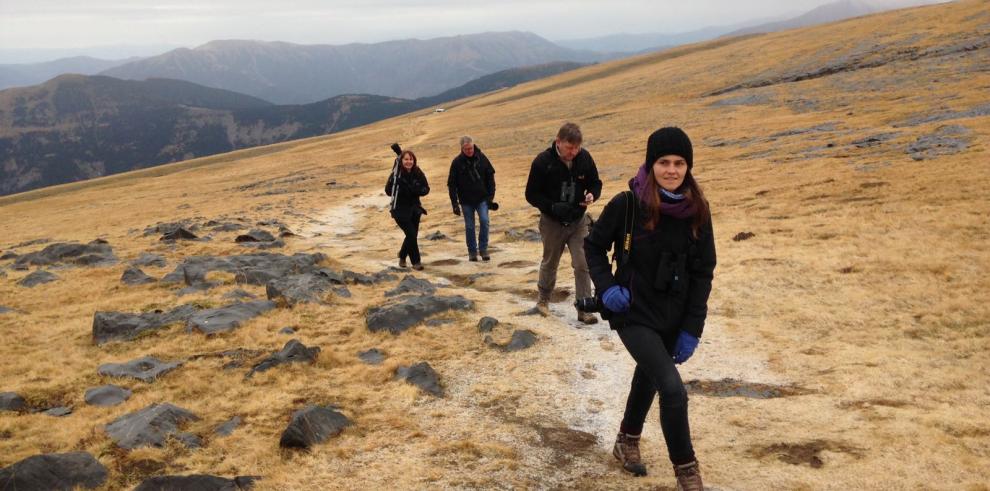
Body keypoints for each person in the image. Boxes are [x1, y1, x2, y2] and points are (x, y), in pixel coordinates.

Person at [584, 127, 716, 489]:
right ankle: (686, 469)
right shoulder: (627, 205)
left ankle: (626, 440)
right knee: (672, 389)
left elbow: (703, 273)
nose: (671, 170)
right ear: (650, 163)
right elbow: (592, 247)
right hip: (633, 311)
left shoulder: (697, 212)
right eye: (663, 162)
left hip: (673, 317)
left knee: (649, 374)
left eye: (679, 163)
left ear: (688, 166)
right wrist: (608, 288)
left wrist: (692, 328)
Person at [525, 122, 602, 325]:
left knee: (582, 262)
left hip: (578, 221)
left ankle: (584, 307)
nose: (573, 152)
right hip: (552, 223)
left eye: (577, 148)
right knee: (550, 262)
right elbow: (531, 194)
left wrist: (593, 193)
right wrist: (551, 207)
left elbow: (596, 182)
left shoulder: (584, 158)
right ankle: (543, 300)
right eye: (569, 148)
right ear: (558, 142)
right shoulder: (542, 162)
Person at [447, 136, 497, 261]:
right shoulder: (456, 163)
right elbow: (451, 184)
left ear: (474, 145)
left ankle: (483, 249)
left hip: (482, 198)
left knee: (484, 221)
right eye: (466, 149)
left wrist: (490, 197)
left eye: (471, 148)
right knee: (469, 226)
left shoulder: (482, 158)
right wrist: (454, 204)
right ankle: (472, 252)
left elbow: (490, 176)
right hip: (466, 201)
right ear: (462, 149)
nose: (470, 151)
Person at [385, 149, 430, 270]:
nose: (409, 161)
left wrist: (417, 190)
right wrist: (395, 182)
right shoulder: (396, 174)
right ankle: (416, 262)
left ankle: (402, 255)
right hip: (399, 210)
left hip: (415, 209)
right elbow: (388, 191)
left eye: (411, 159)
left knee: (412, 235)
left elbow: (426, 189)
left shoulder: (418, 172)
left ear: (414, 160)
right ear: (401, 161)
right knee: (411, 234)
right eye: (406, 159)